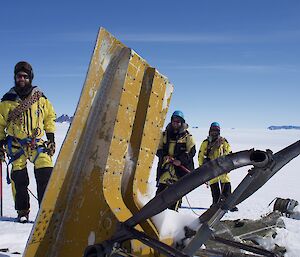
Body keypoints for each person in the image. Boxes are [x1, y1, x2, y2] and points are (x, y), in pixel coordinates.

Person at [0, 61, 56, 222]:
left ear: (30, 77)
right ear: (15, 78)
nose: (22, 78)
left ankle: (45, 212)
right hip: (15, 144)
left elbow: (49, 117)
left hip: (36, 143)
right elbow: (0, 123)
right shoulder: (6, 101)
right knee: (19, 179)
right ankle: (22, 211)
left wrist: (51, 137)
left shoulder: (40, 99)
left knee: (45, 171)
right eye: (19, 76)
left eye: (25, 76)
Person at [156, 110, 196, 211]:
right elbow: (158, 149)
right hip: (165, 169)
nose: (176, 123)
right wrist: (165, 156)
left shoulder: (187, 137)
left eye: (178, 121)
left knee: (175, 197)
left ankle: (172, 216)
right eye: (174, 120)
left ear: (182, 123)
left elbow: (191, 152)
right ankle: (155, 215)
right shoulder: (164, 135)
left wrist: (180, 161)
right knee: (159, 195)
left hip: (180, 172)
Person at [198, 122, 238, 212]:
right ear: (210, 131)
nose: (214, 132)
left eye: (216, 131)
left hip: (223, 168)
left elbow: (229, 152)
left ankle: (229, 204)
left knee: (226, 187)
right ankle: (215, 204)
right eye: (213, 130)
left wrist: (229, 165)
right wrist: (202, 168)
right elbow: (200, 156)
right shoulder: (206, 143)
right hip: (211, 169)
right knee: (214, 188)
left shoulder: (224, 142)